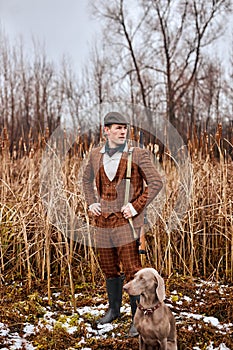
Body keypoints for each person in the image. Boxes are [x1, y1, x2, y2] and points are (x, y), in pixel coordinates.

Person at [82, 111, 163, 336]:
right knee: (108, 268)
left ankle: (137, 318)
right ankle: (113, 310)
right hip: (102, 223)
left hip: (127, 224)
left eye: (124, 128)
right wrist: (91, 203)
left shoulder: (138, 154)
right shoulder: (95, 155)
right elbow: (86, 181)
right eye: (117, 128)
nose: (122, 131)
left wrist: (136, 206)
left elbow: (156, 182)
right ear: (105, 130)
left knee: (132, 272)